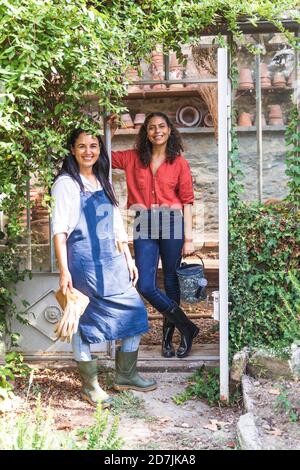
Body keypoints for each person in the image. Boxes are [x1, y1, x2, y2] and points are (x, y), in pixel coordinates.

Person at [51, 129, 157, 408]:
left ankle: (126, 374)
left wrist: (129, 258)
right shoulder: (66, 184)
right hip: (84, 263)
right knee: (83, 324)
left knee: (135, 314)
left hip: (111, 261)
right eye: (82, 146)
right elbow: (59, 231)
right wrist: (64, 271)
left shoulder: (102, 179)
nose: (88, 151)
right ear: (72, 150)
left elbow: (117, 225)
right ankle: (91, 386)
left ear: (100, 150)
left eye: (93, 146)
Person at [109, 112, 199, 359]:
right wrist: (111, 132)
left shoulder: (179, 163)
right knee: (144, 284)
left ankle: (168, 340)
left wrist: (189, 238)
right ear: (145, 132)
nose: (157, 130)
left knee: (171, 281)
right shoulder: (132, 158)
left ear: (169, 130)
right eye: (151, 127)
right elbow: (102, 156)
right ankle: (187, 326)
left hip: (172, 224)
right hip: (144, 224)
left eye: (161, 126)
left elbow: (188, 201)